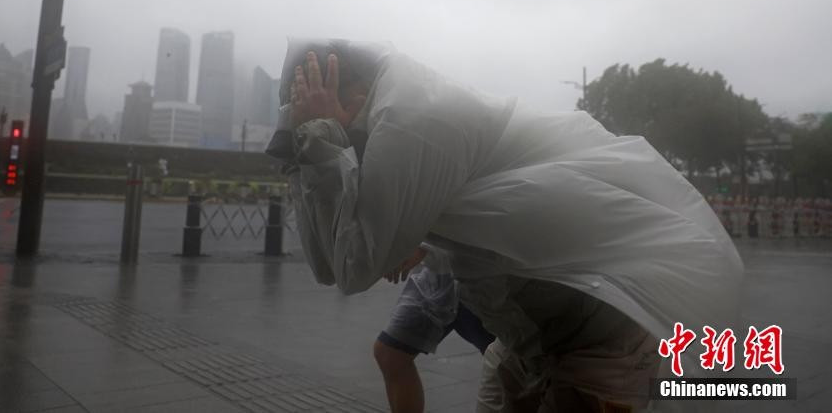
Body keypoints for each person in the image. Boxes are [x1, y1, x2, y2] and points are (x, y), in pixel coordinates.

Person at [266, 39, 743, 411]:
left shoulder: (411, 118)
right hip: (522, 343)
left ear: (349, 90)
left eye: (319, 104)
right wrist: (303, 152)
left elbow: (352, 270)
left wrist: (324, 137)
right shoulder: (386, 122)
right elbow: (329, 265)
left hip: (598, 347)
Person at [374, 245, 494, 413]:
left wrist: (425, 246)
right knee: (390, 354)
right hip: (437, 274)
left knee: (510, 364)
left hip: (485, 271)